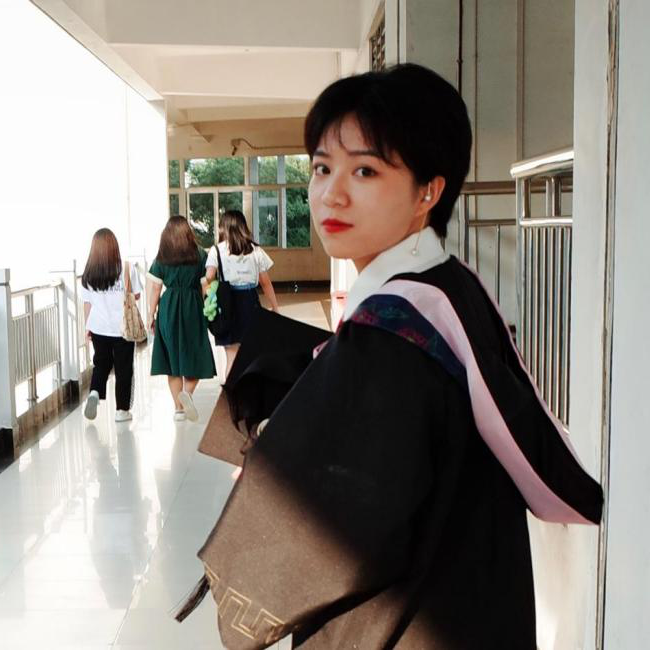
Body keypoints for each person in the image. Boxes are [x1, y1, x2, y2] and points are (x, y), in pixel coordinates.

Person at [179, 65, 603, 648]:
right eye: (322, 168)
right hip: (472, 600)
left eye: (365, 170)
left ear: (428, 190)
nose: (332, 193)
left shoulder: (390, 335)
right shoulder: (449, 285)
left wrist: (277, 463)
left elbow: (336, 525)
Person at [147, 216, 215, 421]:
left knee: (172, 361)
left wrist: (151, 314)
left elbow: (156, 288)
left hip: (168, 307)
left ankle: (178, 409)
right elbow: (206, 286)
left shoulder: (162, 256)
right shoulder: (199, 254)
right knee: (195, 353)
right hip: (193, 306)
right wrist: (208, 309)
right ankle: (187, 394)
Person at [205, 209, 279, 377]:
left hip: (227, 302)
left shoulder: (216, 250)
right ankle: (248, 389)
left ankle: (231, 392)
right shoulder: (255, 250)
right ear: (243, 226)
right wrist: (275, 307)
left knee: (231, 357)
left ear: (223, 228)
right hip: (250, 301)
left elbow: (209, 277)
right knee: (250, 355)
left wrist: (213, 290)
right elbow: (265, 283)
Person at [81, 228, 141, 423]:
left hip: (98, 327)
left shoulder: (89, 273)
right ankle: (122, 411)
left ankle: (95, 392)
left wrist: (87, 327)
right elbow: (136, 295)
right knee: (124, 368)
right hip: (123, 327)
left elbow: (87, 304)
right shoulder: (126, 268)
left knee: (101, 363)